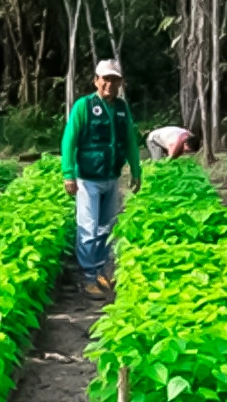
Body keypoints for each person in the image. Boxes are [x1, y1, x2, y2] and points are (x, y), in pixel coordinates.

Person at [61, 59, 142, 300]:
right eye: (105, 79)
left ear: (120, 83)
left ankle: (99, 270)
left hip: (111, 176)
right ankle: (87, 278)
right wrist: (68, 174)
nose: (109, 84)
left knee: (107, 227)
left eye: (114, 80)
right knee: (88, 228)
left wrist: (136, 170)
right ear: (96, 80)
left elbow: (129, 140)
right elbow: (69, 140)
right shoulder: (84, 106)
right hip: (88, 178)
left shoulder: (121, 107)